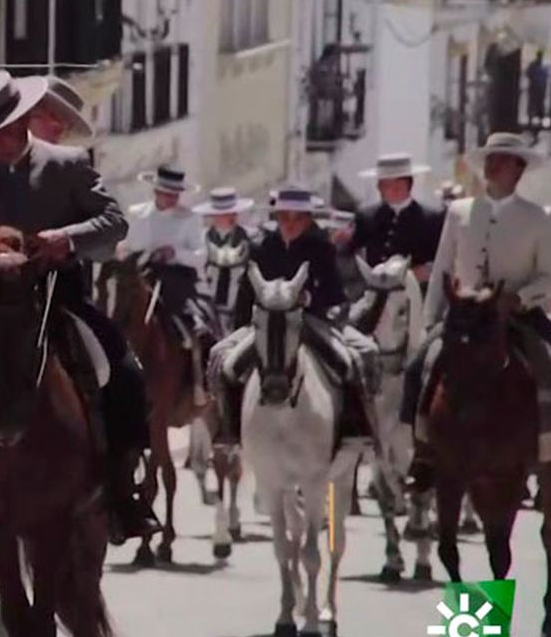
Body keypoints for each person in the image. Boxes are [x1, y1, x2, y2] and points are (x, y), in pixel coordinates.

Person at [0, 71, 160, 545]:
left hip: (57, 297)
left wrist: (69, 238)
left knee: (124, 371)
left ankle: (124, 490)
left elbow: (113, 222)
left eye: (2, 131)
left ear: (22, 122)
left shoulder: (68, 165)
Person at [403, 134, 551, 495]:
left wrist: (519, 298)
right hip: (463, 318)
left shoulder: (538, 219)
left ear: (518, 169)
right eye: (490, 158)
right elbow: (443, 267)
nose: (493, 165)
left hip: (519, 316)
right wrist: (431, 321)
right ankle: (424, 454)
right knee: (419, 366)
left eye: (503, 160)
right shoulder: (459, 212)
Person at [213, 185, 379, 445]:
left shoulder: (321, 248)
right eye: (284, 217)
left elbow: (335, 293)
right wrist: (241, 328)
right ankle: (229, 429)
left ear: (307, 220)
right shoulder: (259, 247)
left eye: (298, 218)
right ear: (276, 217)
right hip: (264, 323)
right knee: (222, 360)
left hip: (310, 319)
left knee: (355, 358)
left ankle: (356, 428)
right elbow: (245, 294)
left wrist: (308, 299)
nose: (290, 224)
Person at [119, 165, 216, 400]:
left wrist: (175, 253)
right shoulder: (136, 214)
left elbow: (201, 255)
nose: (172, 198)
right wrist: (127, 253)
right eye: (167, 193)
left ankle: (201, 381)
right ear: (156, 191)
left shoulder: (190, 218)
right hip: (141, 273)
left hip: (177, 278)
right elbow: (126, 246)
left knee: (196, 323)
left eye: (175, 194)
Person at [335, 153, 444, 285]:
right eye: (381, 184)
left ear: (404, 185)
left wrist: (425, 271)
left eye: (386, 184)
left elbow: (441, 258)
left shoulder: (431, 218)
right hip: (375, 288)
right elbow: (348, 251)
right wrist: (340, 242)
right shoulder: (367, 216)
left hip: (415, 288)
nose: (380, 189)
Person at [193, 185, 259, 324]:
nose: (231, 216)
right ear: (214, 215)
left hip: (241, 309)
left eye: (233, 213)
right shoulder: (201, 240)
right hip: (209, 309)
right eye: (225, 213)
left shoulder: (251, 238)